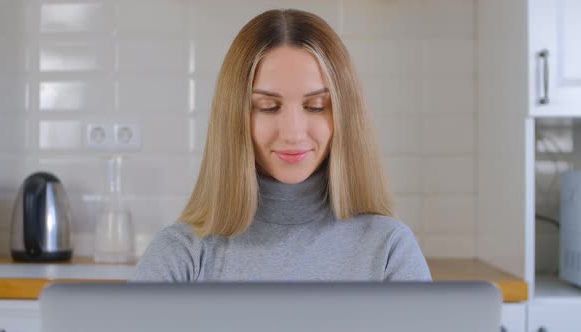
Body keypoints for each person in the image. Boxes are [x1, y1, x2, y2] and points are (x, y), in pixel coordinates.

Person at [132, 8, 431, 282]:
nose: (292, 133)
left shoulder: (390, 248)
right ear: (234, 117)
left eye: (315, 106)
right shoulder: (180, 254)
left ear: (344, 116)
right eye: (267, 106)